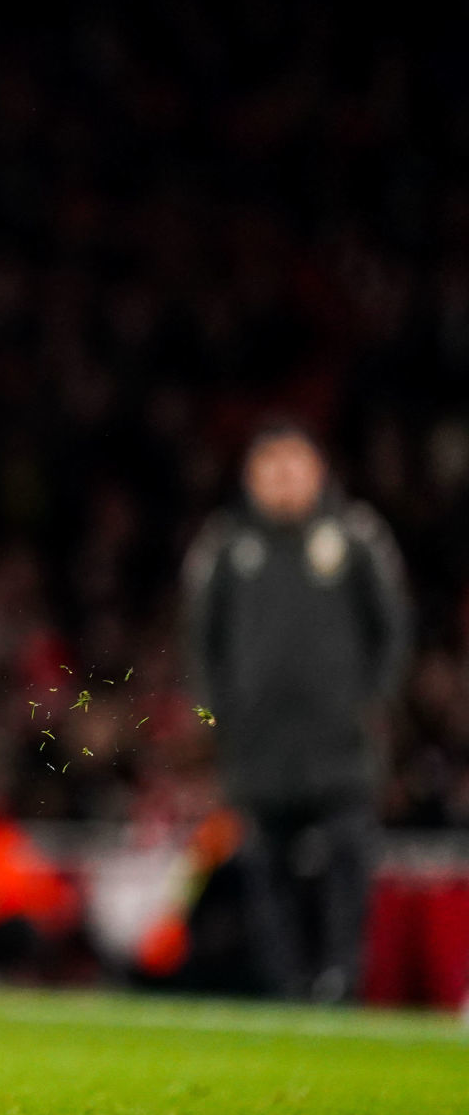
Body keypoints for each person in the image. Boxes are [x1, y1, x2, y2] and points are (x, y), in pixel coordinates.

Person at [183, 423, 412, 1001]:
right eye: (271, 466)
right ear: (250, 477)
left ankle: (341, 978)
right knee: (265, 869)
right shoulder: (227, 546)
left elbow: (392, 629)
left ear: (318, 471)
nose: (283, 478)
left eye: (294, 465)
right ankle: (284, 984)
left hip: (339, 740)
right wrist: (221, 713)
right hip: (257, 745)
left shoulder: (357, 537)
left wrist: (369, 702)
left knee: (347, 860)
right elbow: (200, 640)